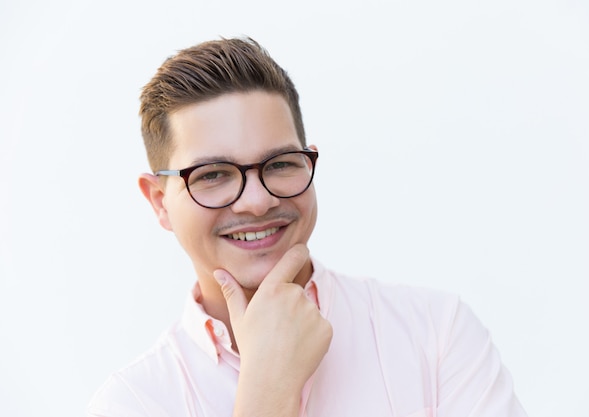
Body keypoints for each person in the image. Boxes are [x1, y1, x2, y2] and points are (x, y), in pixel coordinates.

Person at [87, 37, 527, 417]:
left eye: (279, 164)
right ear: (159, 202)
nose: (258, 201)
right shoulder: (131, 403)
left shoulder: (436, 333)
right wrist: (267, 393)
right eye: (213, 175)